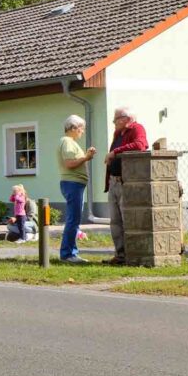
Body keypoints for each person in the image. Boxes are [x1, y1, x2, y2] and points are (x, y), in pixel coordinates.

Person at [104, 107, 148, 265]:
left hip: (126, 182)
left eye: (116, 119)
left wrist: (115, 152)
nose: (114, 122)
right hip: (113, 181)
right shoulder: (118, 133)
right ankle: (120, 255)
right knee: (115, 221)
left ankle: (131, 255)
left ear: (126, 119)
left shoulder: (137, 128)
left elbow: (140, 145)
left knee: (127, 219)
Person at [57, 114, 96, 264]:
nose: (83, 131)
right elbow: (69, 163)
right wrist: (86, 157)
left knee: (74, 219)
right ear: (73, 128)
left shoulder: (70, 142)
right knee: (73, 220)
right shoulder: (67, 142)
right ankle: (68, 254)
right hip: (72, 183)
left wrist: (86, 156)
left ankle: (70, 252)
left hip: (74, 184)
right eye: (81, 128)